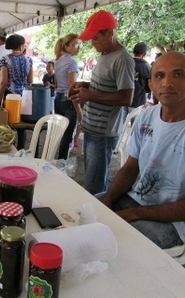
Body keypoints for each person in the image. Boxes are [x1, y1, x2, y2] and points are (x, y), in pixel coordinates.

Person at [96, 52, 185, 249]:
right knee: (84, 211)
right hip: (135, 199)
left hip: (174, 222)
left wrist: (133, 214)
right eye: (159, 76)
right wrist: (109, 199)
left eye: (178, 74)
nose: (167, 83)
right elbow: (130, 168)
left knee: (118, 243)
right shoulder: (147, 116)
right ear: (150, 84)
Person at [69, 10, 135, 195]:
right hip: (91, 127)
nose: (93, 42)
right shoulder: (105, 55)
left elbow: (126, 97)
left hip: (103, 133)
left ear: (109, 33)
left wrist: (90, 95)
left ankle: (99, 220)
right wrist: (85, 85)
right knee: (92, 180)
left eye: (96, 37)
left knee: (94, 186)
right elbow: (106, 87)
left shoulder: (123, 59)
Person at [54, 34, 82, 159]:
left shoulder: (58, 61)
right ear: (66, 46)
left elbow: (57, 83)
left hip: (58, 98)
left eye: (79, 44)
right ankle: (62, 163)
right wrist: (78, 109)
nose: (78, 47)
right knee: (68, 135)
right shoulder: (71, 62)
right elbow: (72, 88)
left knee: (59, 133)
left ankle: (57, 160)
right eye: (75, 44)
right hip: (68, 100)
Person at [0, 34, 33, 106]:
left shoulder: (5, 59)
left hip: (10, 97)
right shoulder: (29, 60)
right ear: (20, 47)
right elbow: (30, 81)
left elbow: (3, 82)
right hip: (24, 97)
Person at [121, 42, 150, 125]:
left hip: (122, 100)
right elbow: (148, 88)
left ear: (133, 52)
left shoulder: (126, 64)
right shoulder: (146, 67)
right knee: (135, 128)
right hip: (138, 102)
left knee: (120, 128)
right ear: (144, 54)